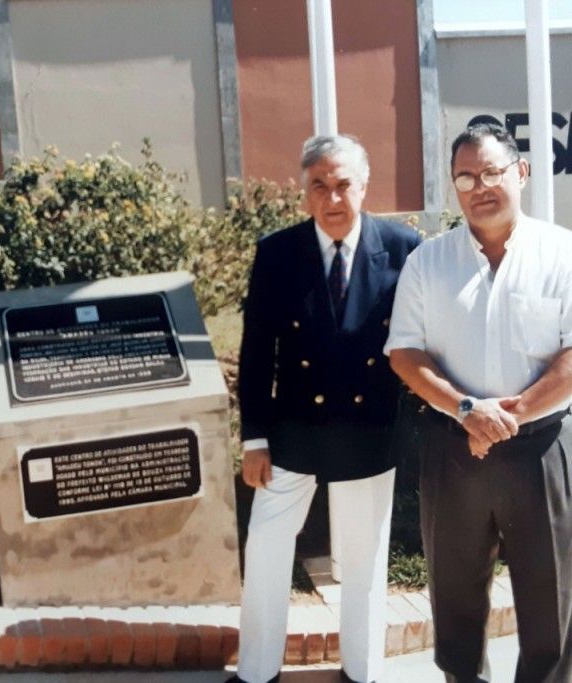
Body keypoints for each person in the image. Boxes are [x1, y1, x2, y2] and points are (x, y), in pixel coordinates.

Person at [386, 122, 572, 683]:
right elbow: (404, 353)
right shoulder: (428, 263)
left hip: (541, 449)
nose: (480, 186)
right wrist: (469, 411)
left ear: (521, 172)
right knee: (455, 597)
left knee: (552, 599)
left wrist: (503, 419)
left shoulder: (562, 252)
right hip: (453, 450)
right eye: (465, 177)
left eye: (492, 171)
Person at [232, 135, 419, 683]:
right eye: (320, 186)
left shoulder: (403, 247)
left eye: (343, 185)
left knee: (363, 562)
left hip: (368, 428)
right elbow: (255, 350)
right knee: (266, 549)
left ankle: (363, 673)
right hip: (292, 429)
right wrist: (254, 437)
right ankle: (255, 672)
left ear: (364, 187)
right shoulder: (277, 252)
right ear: (305, 192)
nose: (333, 198)